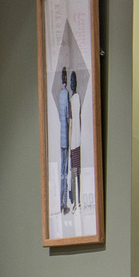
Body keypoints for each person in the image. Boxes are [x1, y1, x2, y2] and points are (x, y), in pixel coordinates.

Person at [67, 68, 82, 214]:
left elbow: (70, 123)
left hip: (74, 141)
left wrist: (69, 144)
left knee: (73, 170)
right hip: (79, 139)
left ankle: (75, 204)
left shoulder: (72, 101)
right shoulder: (78, 98)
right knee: (78, 170)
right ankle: (78, 202)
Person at [57, 65, 71, 214]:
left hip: (61, 139)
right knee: (65, 172)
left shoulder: (61, 94)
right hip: (66, 139)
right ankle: (64, 202)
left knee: (63, 172)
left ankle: (62, 202)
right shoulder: (66, 96)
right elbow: (67, 117)